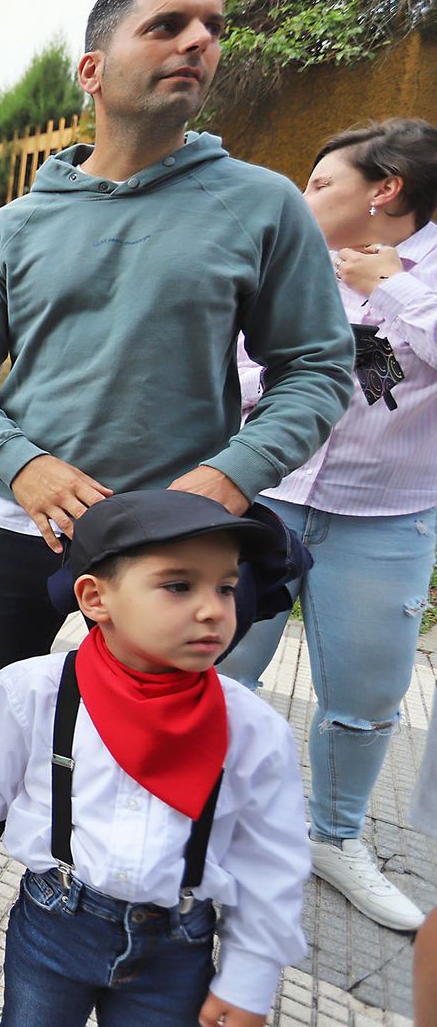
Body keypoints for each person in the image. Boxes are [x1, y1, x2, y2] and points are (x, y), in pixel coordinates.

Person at [0, 0, 354, 733]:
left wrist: (233, 477)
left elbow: (318, 366)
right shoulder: (14, 226)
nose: (198, 41)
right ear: (92, 69)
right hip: (15, 524)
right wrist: (20, 463)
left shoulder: (264, 205)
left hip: (173, 541)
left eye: (212, 29)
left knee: (150, 752)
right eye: (167, 25)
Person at [0, 490, 311, 1027]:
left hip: (178, 942)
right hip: (55, 921)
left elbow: (272, 860)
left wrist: (250, 977)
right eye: (178, 585)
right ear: (94, 597)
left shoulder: (253, 728)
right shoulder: (33, 692)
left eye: (225, 587)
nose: (212, 608)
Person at [216, 118, 437, 933]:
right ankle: (211, 817)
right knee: (222, 663)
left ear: (384, 191)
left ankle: (336, 838)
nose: (302, 197)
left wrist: (393, 286)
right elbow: (237, 365)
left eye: (320, 184)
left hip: (389, 517)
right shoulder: (288, 262)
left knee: (369, 699)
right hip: (272, 496)